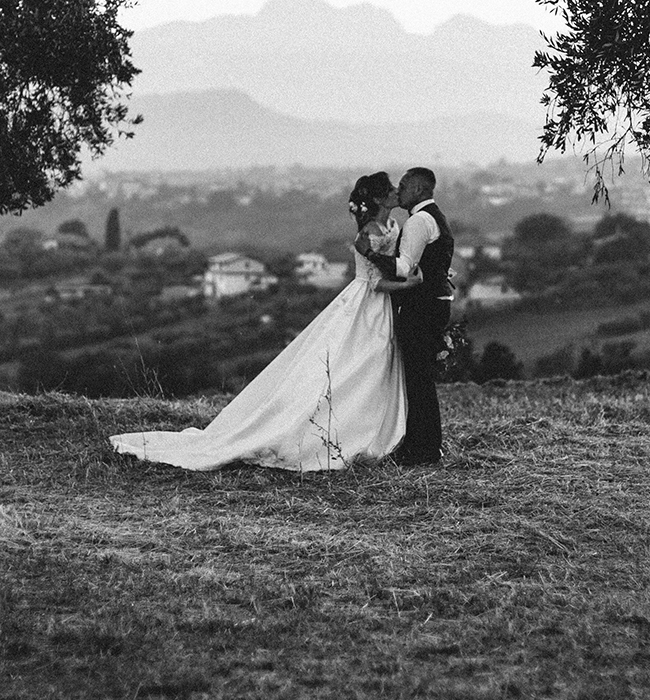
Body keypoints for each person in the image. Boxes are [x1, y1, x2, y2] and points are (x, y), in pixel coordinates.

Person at [108, 173, 418, 471]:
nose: (395, 191)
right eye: (390, 188)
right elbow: (375, 282)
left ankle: (370, 431)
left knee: (367, 367)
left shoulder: (391, 225)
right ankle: (354, 435)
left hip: (381, 307)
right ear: (379, 197)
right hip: (369, 303)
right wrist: (408, 285)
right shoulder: (371, 234)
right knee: (356, 366)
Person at [355, 166, 452, 465]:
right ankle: (424, 445)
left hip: (421, 307)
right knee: (418, 378)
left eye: (405, 185)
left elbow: (403, 267)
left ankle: (423, 448)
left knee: (417, 379)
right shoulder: (434, 217)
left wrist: (370, 254)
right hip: (431, 303)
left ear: (420, 190)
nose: (400, 189)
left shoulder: (418, 222)